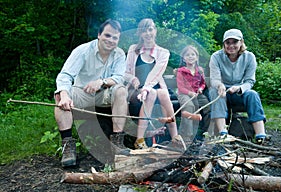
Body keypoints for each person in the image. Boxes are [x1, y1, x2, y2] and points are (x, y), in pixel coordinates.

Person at [54, 19, 128, 167]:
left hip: (103, 94)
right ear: (99, 35)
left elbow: (119, 77)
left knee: (121, 90)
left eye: (115, 38)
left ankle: (117, 145)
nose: (111, 40)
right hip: (81, 93)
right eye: (107, 35)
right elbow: (65, 76)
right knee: (60, 97)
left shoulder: (119, 54)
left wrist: (101, 82)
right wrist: (64, 94)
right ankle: (68, 147)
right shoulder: (82, 50)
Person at [125, 18, 185, 150]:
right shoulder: (133, 50)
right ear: (140, 34)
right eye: (144, 31)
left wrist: (146, 88)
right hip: (137, 89)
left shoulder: (163, 52)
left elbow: (156, 73)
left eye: (150, 29)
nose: (147, 33)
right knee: (151, 93)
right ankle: (139, 140)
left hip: (154, 86)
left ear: (155, 31)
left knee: (163, 93)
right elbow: (126, 72)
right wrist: (133, 80)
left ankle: (175, 137)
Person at [209, 28, 266, 144]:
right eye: (227, 42)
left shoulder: (249, 57)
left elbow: (249, 81)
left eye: (234, 42)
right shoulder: (216, 57)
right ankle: (222, 133)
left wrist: (239, 88)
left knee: (253, 94)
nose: (231, 46)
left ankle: (260, 135)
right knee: (215, 92)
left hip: (239, 92)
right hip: (222, 92)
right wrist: (220, 85)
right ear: (224, 44)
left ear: (241, 42)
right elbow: (214, 79)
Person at [176, 45, 211, 143]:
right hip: (184, 94)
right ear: (184, 58)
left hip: (197, 94)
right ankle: (187, 136)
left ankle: (206, 133)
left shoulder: (199, 70)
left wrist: (200, 89)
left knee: (207, 106)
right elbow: (180, 87)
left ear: (196, 57)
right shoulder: (181, 71)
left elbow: (203, 83)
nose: (190, 56)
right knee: (189, 106)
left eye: (193, 54)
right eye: (187, 55)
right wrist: (189, 93)